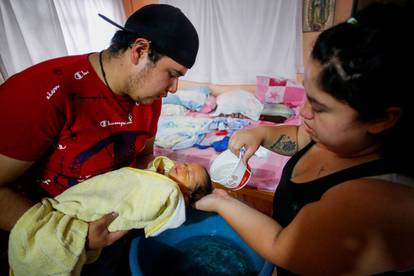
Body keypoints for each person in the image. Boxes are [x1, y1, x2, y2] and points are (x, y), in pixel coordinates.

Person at [195, 3, 414, 275]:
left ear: (381, 120)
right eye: (306, 96)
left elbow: (282, 246)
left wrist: (222, 201)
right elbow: (299, 136)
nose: (303, 112)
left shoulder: (378, 200)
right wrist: (261, 133)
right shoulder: (331, 137)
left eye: (320, 108)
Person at [0, 3, 198, 275]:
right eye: (173, 74)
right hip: (52, 245)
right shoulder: (41, 94)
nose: (173, 89)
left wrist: (175, 181)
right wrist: (75, 235)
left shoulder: (147, 98)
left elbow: (142, 157)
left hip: (113, 235)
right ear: (139, 51)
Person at [8, 156, 212, 275]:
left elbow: (139, 208)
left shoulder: (165, 191)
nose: (182, 166)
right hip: (77, 202)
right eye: (186, 165)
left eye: (188, 174)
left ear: (186, 195)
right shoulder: (160, 178)